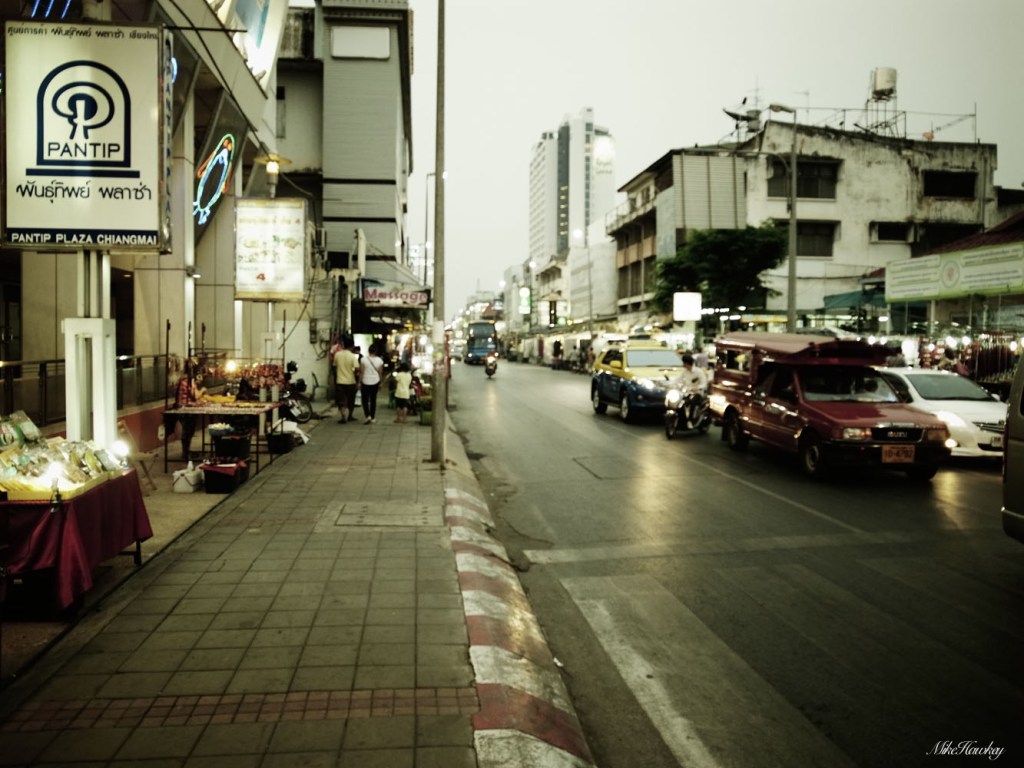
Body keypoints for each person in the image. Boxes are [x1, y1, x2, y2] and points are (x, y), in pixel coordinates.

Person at [172, 359, 205, 459]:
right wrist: (203, 390)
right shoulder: (188, 380)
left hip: (181, 407)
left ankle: (186, 451)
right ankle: (185, 453)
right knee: (188, 431)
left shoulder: (181, 379)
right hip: (186, 409)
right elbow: (195, 395)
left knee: (187, 431)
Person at [674, 353, 709, 427]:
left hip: (698, 393)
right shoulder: (684, 372)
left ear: (687, 363)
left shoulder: (699, 372)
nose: (683, 365)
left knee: (692, 402)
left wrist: (697, 388)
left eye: (684, 363)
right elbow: (677, 379)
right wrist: (670, 385)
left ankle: (690, 420)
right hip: (687, 392)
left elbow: (704, 384)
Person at [333, 338, 360, 423]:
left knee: (341, 400)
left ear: (343, 345)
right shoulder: (352, 356)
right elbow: (357, 368)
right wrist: (356, 376)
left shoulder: (337, 355)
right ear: (352, 346)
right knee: (351, 400)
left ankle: (343, 416)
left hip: (340, 381)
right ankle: (350, 416)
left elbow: (334, 366)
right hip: (350, 381)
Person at [359, 343, 385, 424]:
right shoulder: (380, 360)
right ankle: (373, 417)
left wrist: (359, 382)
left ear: (368, 351)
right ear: (376, 351)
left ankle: (367, 416)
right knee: (373, 400)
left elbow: (361, 372)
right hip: (375, 381)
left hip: (365, 381)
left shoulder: (363, 359)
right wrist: (380, 382)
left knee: (365, 400)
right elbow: (380, 372)